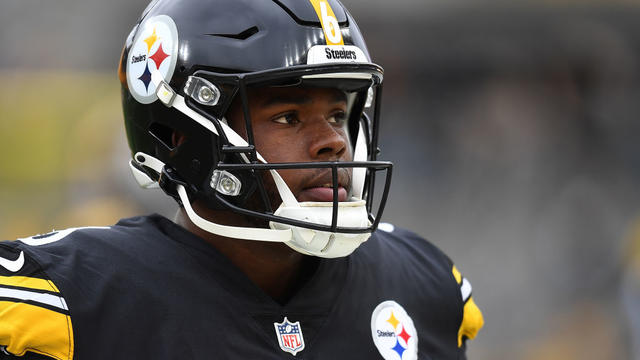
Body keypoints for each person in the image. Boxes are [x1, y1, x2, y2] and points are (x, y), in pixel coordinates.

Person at [0, 0, 483, 358]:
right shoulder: (67, 300)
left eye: (338, 114)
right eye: (289, 117)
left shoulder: (423, 285)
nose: (332, 142)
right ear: (180, 132)